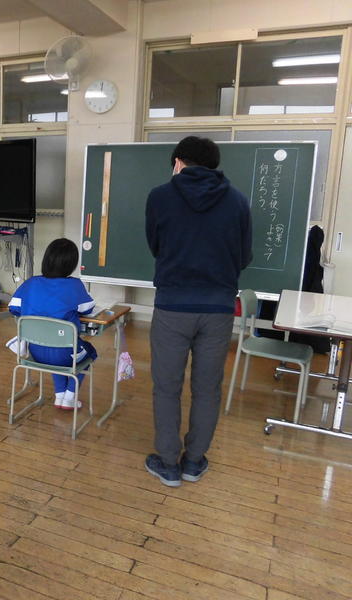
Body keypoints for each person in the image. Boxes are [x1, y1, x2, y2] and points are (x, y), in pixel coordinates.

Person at [144, 136, 252, 487]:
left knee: (167, 387)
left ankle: (167, 464)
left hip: (172, 306)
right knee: (207, 389)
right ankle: (193, 462)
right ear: (213, 164)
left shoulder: (160, 197)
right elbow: (244, 256)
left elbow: (156, 245)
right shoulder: (237, 201)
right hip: (218, 308)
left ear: (178, 162)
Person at [8, 238, 98, 410]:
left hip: (35, 351)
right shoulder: (74, 285)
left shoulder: (31, 283)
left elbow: (13, 308)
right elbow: (87, 309)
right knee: (89, 353)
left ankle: (59, 396)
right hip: (66, 354)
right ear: (71, 264)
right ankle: (69, 397)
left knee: (54, 344)